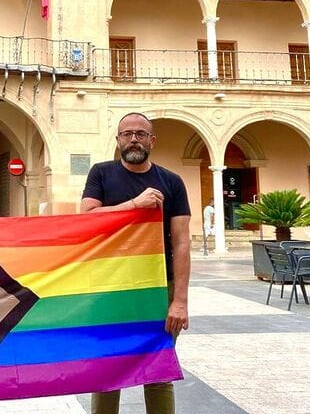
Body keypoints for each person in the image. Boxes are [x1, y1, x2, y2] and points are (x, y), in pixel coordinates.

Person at [81, 112, 191, 414]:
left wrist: (179, 300)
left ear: (152, 140)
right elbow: (87, 220)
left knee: (158, 370)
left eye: (141, 134)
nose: (134, 139)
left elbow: (181, 242)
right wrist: (133, 205)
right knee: (106, 371)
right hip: (109, 287)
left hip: (158, 288)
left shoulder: (172, 181)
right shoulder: (101, 173)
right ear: (117, 140)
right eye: (127, 133)